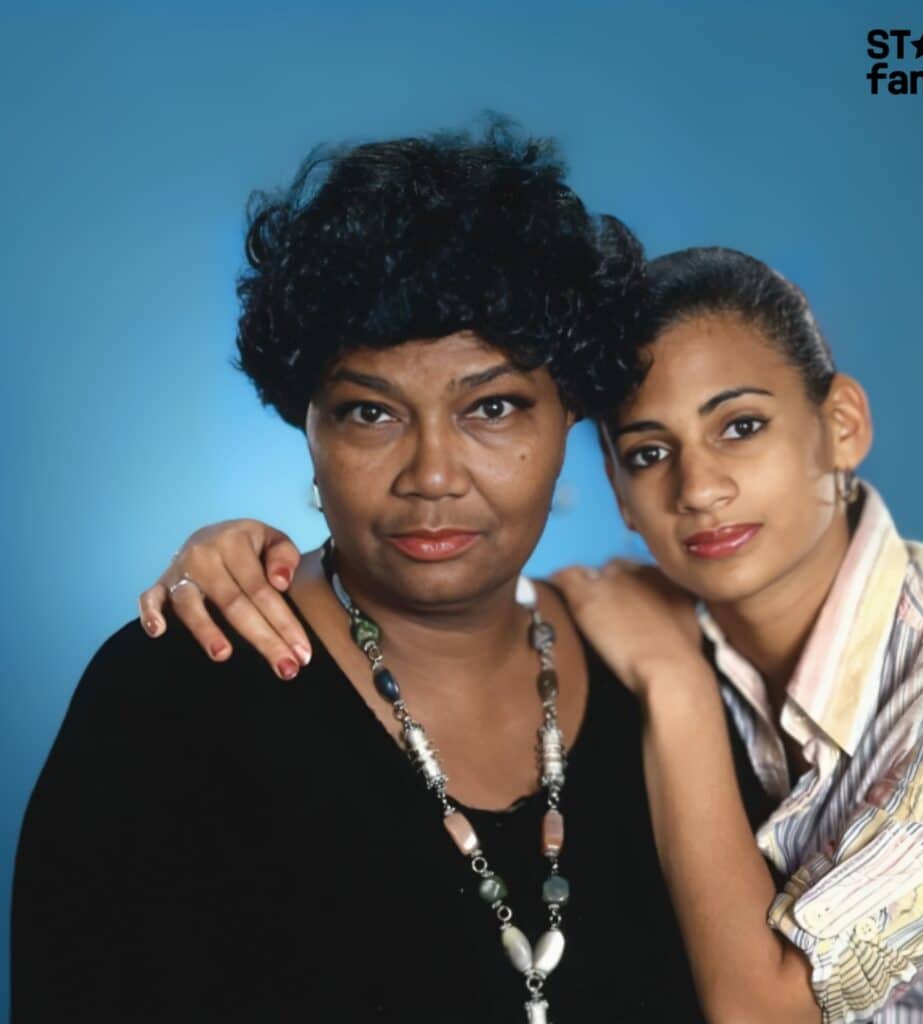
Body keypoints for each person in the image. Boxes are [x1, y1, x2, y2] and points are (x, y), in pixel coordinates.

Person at [12, 128, 775, 1024]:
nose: (434, 474)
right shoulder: (170, 702)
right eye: (370, 412)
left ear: (571, 412)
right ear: (310, 426)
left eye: (492, 407)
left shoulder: (680, 681)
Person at [144, 247, 923, 1022]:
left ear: (843, 425)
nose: (700, 487)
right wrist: (241, 557)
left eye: (741, 427)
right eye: (649, 451)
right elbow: (446, 579)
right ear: (612, 482)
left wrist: (675, 686)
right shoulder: (635, 613)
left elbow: (766, 1015)